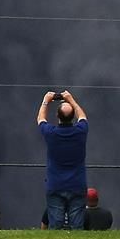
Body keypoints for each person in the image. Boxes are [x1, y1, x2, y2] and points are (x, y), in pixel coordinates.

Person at [38, 89, 89, 229]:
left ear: (57, 116)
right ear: (73, 117)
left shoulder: (51, 134)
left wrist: (45, 101)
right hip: (77, 185)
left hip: (56, 185)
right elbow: (83, 117)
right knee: (77, 226)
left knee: (55, 226)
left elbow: (41, 120)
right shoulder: (81, 132)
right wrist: (71, 100)